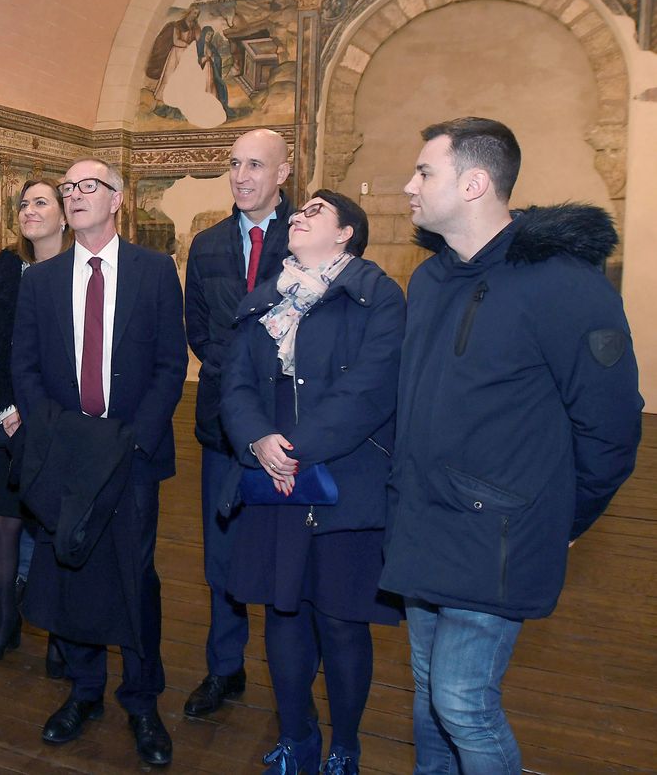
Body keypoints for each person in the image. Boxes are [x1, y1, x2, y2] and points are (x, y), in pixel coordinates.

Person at [381, 117, 642, 774]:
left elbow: (611, 430)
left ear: (474, 183)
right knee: (428, 696)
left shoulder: (566, 285)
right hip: (424, 522)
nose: (408, 185)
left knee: (464, 701)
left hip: (498, 532)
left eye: (424, 172)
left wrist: (557, 518)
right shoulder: (432, 279)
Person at [220, 190, 404, 775]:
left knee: (342, 620)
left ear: (348, 232)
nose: (297, 216)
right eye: (297, 212)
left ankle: (344, 747)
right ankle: (296, 738)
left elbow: (370, 391)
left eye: (314, 213)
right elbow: (237, 383)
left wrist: (295, 450)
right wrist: (257, 439)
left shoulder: (377, 296)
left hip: (345, 482)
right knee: (284, 614)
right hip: (273, 480)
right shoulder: (265, 299)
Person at [12, 157, 187, 768]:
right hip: (66, 456)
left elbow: (171, 362)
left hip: (131, 454)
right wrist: (53, 439)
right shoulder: (41, 278)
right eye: (68, 188)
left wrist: (136, 438)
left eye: (90, 186)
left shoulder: (155, 270)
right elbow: (25, 367)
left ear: (118, 199)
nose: (76, 195)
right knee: (71, 569)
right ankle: (84, 691)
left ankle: (141, 700)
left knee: (134, 577)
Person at [182, 127, 293, 720]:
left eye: (255, 165)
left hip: (288, 431)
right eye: (234, 164)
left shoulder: (308, 237)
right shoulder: (207, 245)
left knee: (282, 558)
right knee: (220, 556)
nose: (242, 176)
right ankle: (225, 667)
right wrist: (238, 387)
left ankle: (290, 678)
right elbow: (199, 329)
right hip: (222, 425)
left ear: (282, 172)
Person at [0, 180, 70, 667]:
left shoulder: (81, 266)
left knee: (54, 526)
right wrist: (5, 412)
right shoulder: (9, 266)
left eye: (41, 202)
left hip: (63, 421)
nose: (30, 210)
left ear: (64, 214)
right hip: (8, 418)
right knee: (3, 522)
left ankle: (58, 631)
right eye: (24, 203)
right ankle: (6, 619)